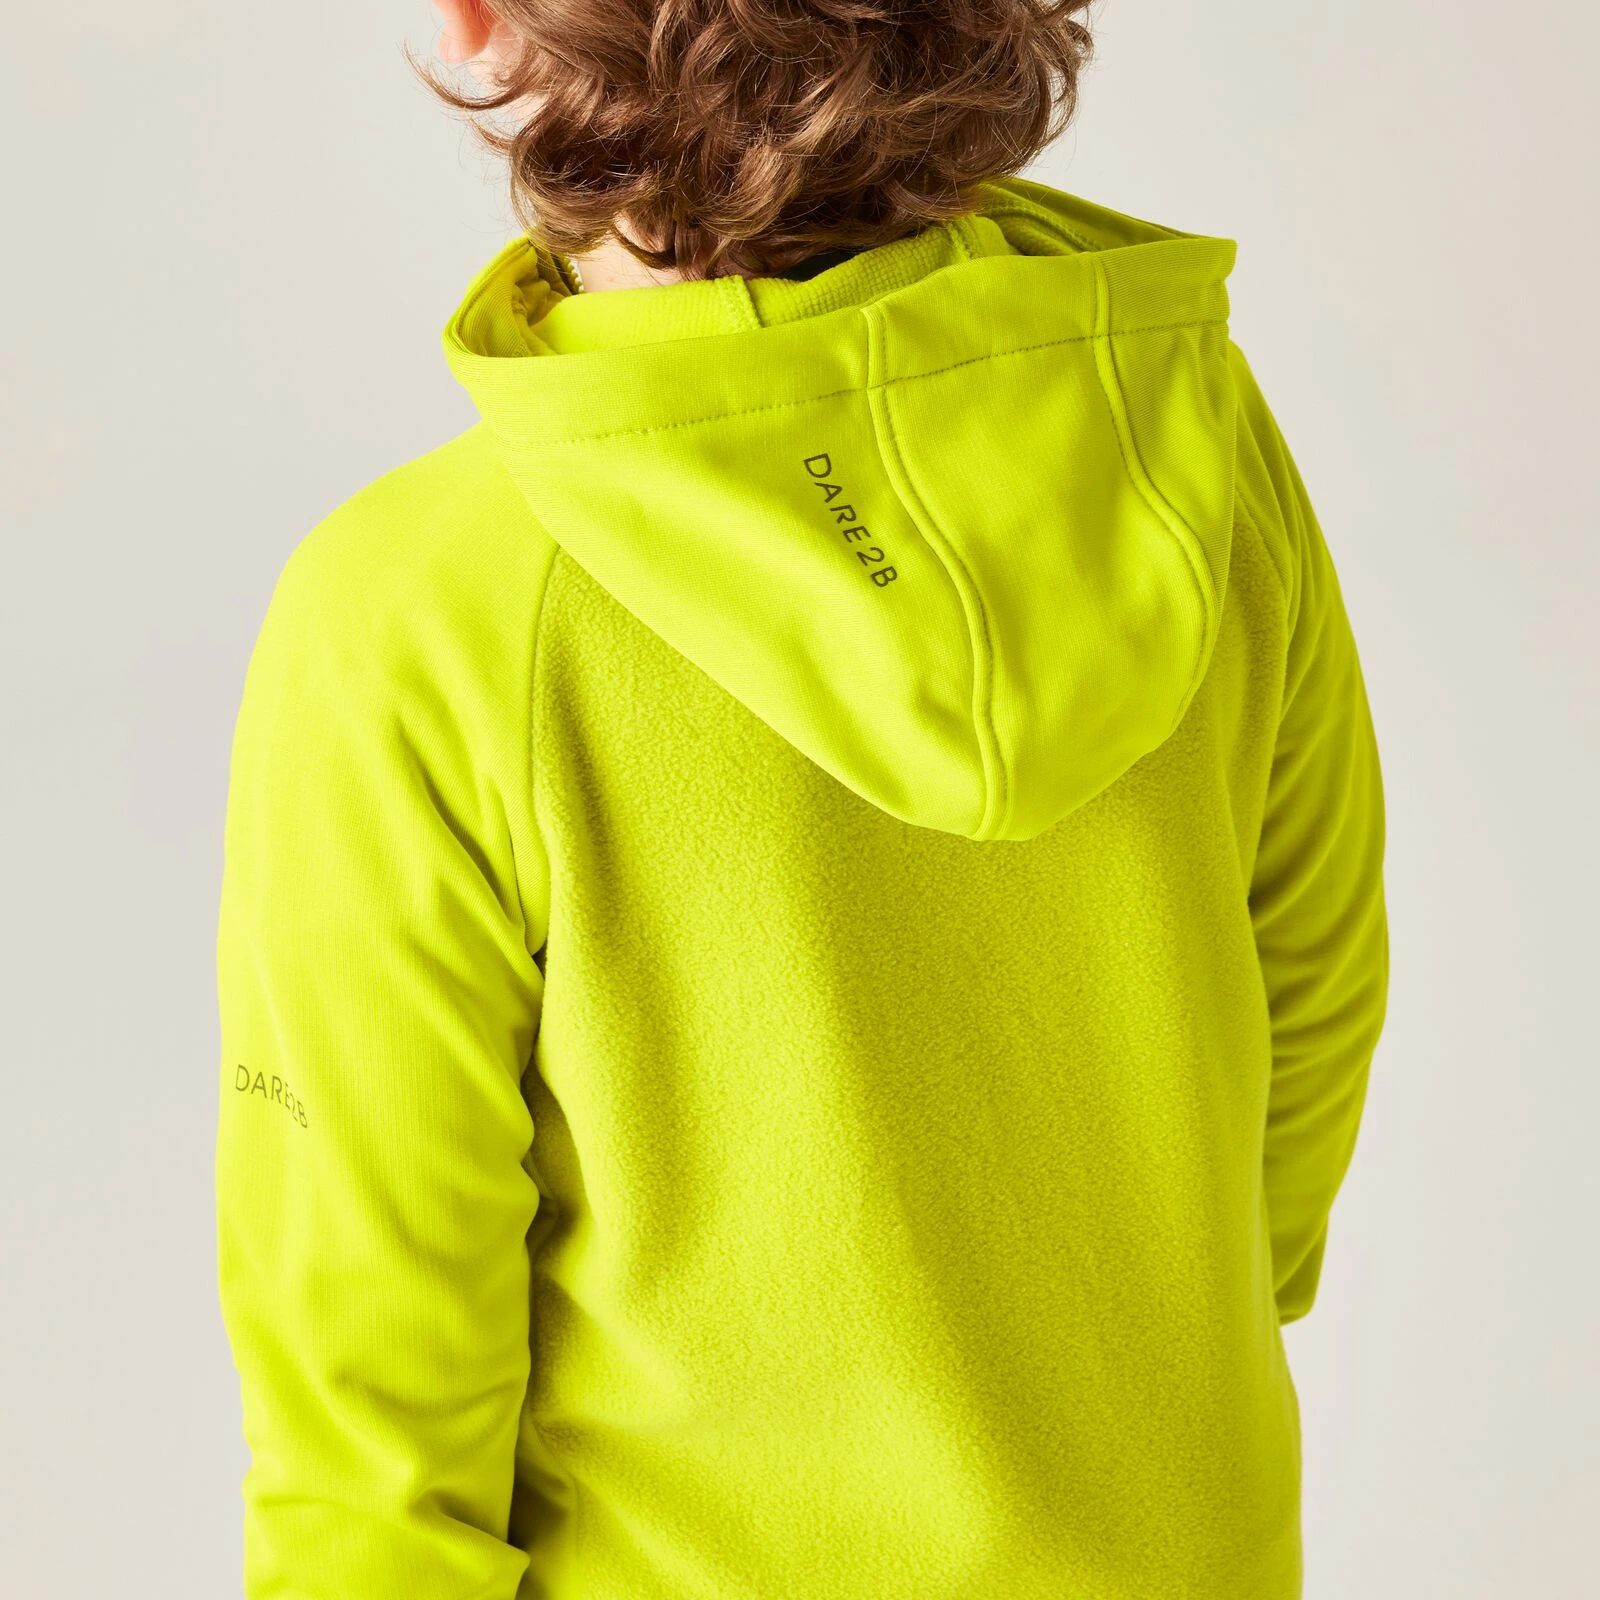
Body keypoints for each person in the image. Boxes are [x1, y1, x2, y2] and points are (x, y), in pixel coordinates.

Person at [213, 1, 1389, 1596]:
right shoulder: (1177, 450)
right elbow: (1312, 980)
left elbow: (369, 1395)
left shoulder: (415, 611)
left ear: (483, 23)